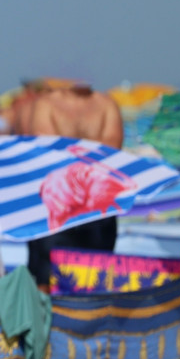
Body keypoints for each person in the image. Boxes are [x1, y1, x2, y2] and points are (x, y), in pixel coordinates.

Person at [20, 83, 125, 291]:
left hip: (97, 211)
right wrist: (91, 155)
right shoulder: (46, 103)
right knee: (45, 282)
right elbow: (48, 154)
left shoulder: (105, 104)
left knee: (97, 280)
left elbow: (112, 153)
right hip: (57, 209)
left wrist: (71, 155)